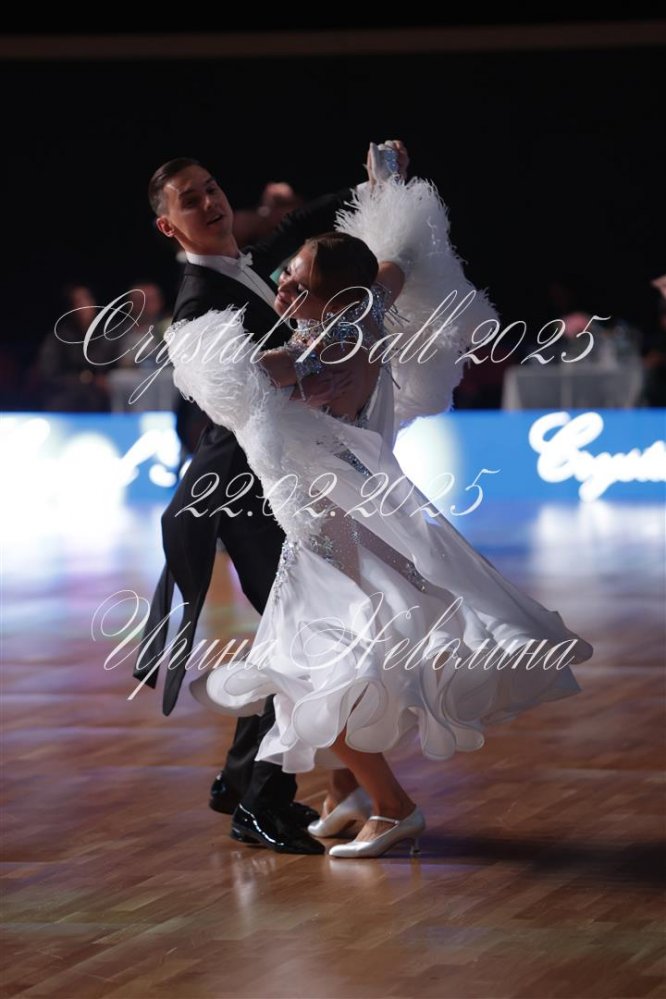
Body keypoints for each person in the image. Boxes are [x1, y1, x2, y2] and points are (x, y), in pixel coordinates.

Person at [167, 165, 594, 860]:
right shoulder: (364, 316)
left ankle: (393, 806)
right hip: (343, 522)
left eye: (295, 283)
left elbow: (249, 375)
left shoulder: (319, 352)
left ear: (334, 300)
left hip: (326, 530)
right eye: (286, 278)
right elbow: (390, 268)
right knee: (338, 663)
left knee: (308, 673)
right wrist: (383, 192)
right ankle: (346, 793)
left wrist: (199, 355)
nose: (282, 290)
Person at [135, 147, 409, 855]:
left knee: (293, 639)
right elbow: (248, 392)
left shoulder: (245, 263)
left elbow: (299, 221)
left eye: (212, 188)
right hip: (244, 492)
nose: (209, 202)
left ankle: (260, 784)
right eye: (190, 199)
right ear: (169, 226)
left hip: (271, 484)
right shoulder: (198, 304)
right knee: (301, 643)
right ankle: (263, 801)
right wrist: (335, 341)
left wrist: (370, 185)